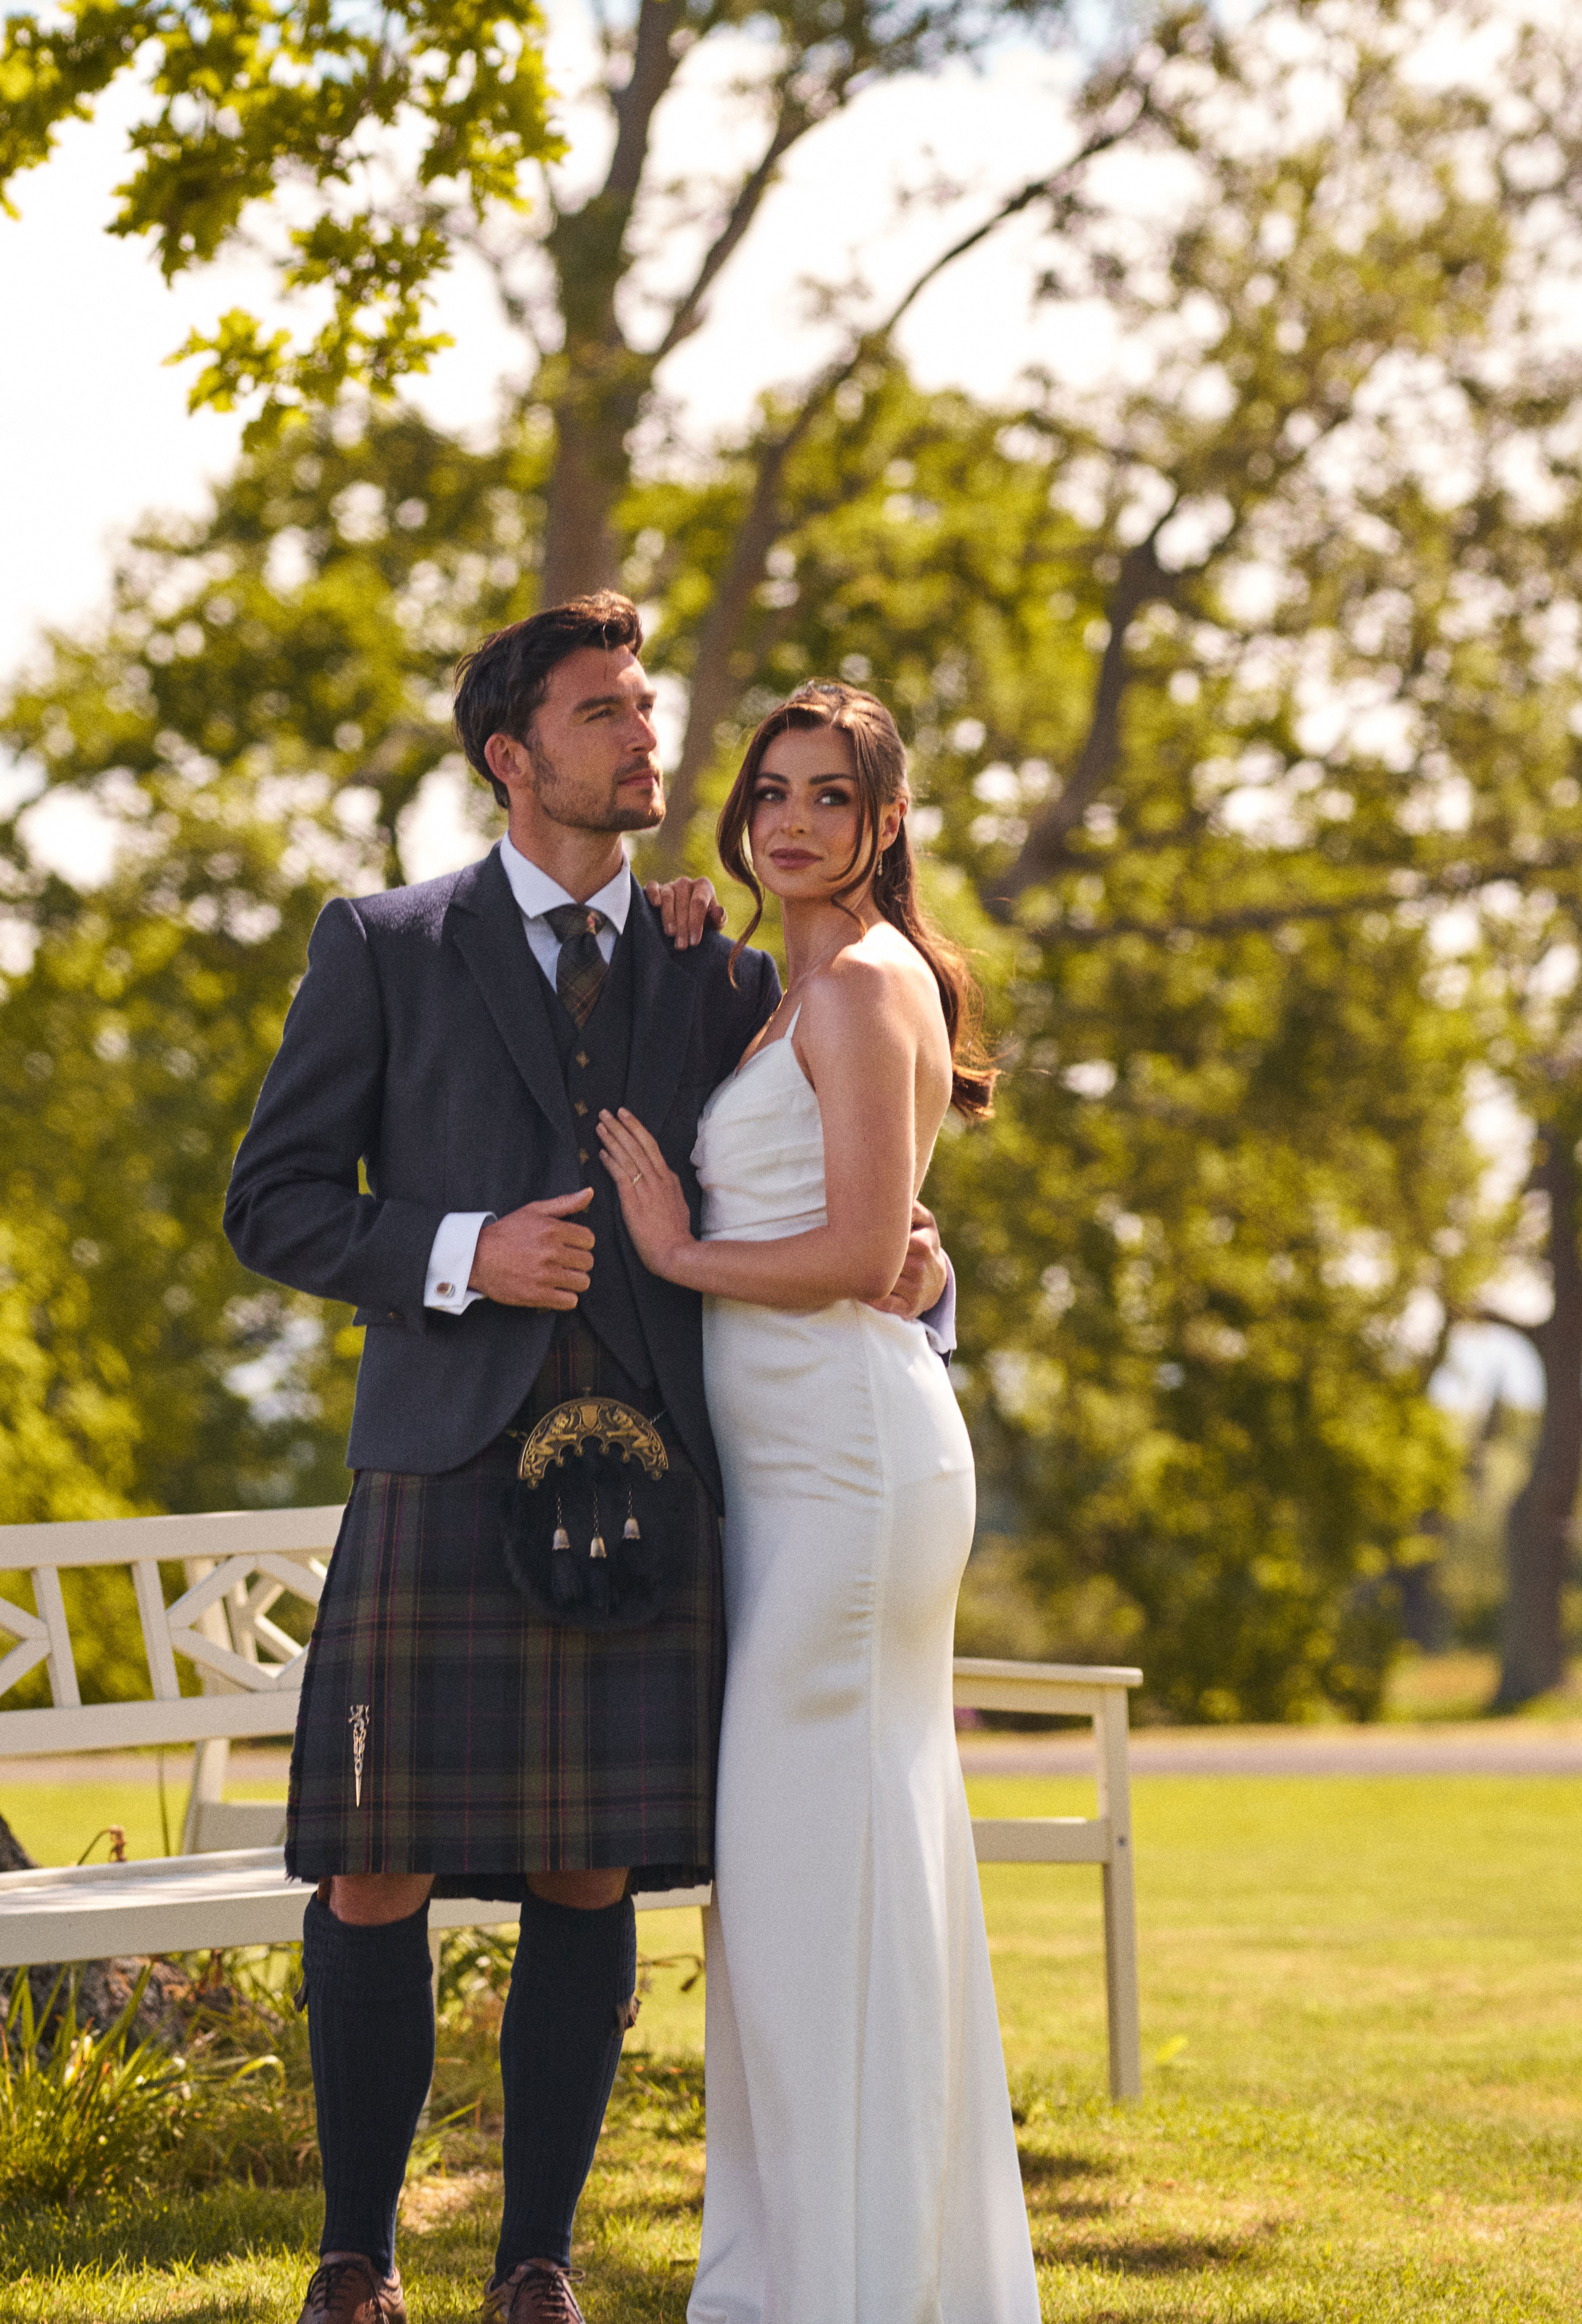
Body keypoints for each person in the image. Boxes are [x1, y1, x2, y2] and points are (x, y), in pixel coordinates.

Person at [225, 600, 952, 2324]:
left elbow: (842, 1193)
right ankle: (354, 2256)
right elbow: (272, 1203)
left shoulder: (724, 974)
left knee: (586, 1866)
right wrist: (460, 1249)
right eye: (601, 711)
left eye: (641, 706)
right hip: (440, 1468)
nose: (644, 736)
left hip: (650, 1477)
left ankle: (535, 2261)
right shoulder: (382, 943)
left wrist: (926, 1277)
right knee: (372, 1864)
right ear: (510, 754)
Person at [591, 680, 1040, 2324]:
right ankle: (842, 2276)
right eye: (769, 790)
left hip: (849, 1478)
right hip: (795, 1475)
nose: (789, 819)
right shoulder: (793, 988)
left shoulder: (860, 984)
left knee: (803, 1880)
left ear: (883, 822)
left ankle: (836, 2288)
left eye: (827, 797)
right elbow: (887, 1236)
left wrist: (678, 1251)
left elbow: (862, 1256)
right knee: (827, 1880)